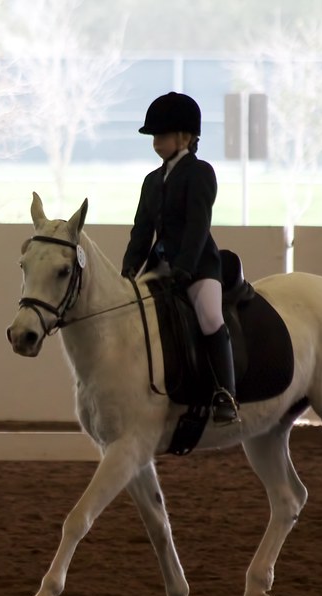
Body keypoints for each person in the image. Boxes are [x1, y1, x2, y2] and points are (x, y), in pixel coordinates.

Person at [120, 91, 238, 424]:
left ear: (185, 137)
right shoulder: (152, 180)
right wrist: (129, 267)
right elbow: (142, 230)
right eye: (155, 136)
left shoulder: (200, 173)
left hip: (199, 267)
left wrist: (185, 268)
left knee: (210, 317)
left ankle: (224, 393)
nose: (156, 142)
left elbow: (198, 226)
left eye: (162, 135)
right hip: (160, 267)